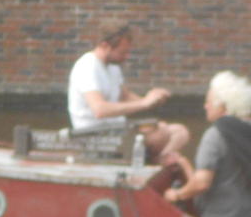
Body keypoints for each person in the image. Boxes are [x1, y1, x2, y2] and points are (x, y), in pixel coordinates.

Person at [164, 71, 251, 217]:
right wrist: (184, 164)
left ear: (224, 106)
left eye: (209, 102)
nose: (205, 106)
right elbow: (220, 180)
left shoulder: (216, 134)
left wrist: (176, 195)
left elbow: (201, 184)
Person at [67, 18, 189, 163]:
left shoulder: (113, 67)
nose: (126, 57)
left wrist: (151, 100)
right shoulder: (87, 67)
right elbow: (100, 110)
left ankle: (160, 163)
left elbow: (124, 95)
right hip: (94, 136)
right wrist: (144, 104)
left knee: (180, 132)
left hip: (117, 130)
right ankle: (156, 164)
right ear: (105, 45)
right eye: (122, 52)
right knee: (161, 133)